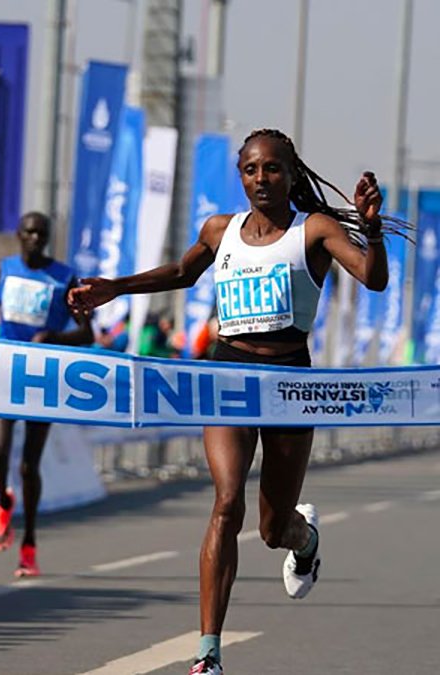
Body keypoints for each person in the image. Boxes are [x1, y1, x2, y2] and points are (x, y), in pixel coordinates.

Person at [69, 129, 396, 675]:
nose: (261, 180)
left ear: (291, 174)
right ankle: (208, 653)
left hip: (290, 381)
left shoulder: (313, 229)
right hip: (227, 374)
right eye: (250, 170)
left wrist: (374, 231)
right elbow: (180, 273)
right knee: (226, 503)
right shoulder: (220, 230)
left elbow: (373, 278)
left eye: (271, 170)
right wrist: (115, 287)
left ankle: (305, 537)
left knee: (272, 530)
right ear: (240, 175)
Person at [0, 212, 93, 577]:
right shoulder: (2, 270)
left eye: (41, 233)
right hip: (4, 371)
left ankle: (28, 544)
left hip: (43, 379)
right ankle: (3, 499)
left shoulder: (64, 278)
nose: (34, 238)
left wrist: (53, 338)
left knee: (29, 465)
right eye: (28, 232)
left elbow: (86, 334)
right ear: (17, 234)